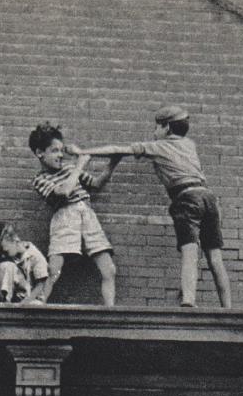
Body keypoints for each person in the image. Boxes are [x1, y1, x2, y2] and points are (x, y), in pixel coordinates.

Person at [78, 104, 232, 308]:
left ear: (167, 128)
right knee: (215, 257)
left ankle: (188, 301)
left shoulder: (158, 146)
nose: (154, 132)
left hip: (186, 198)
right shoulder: (189, 144)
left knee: (190, 251)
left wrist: (83, 151)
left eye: (157, 127)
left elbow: (117, 150)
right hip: (208, 197)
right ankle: (227, 308)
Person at [28, 122, 120, 305]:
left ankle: (111, 311)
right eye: (54, 151)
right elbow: (64, 192)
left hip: (87, 214)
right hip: (65, 216)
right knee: (54, 268)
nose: (60, 155)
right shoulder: (40, 179)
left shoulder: (69, 169)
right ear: (40, 153)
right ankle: (39, 302)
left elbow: (95, 184)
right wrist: (79, 164)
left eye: (62, 150)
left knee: (109, 269)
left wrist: (113, 163)